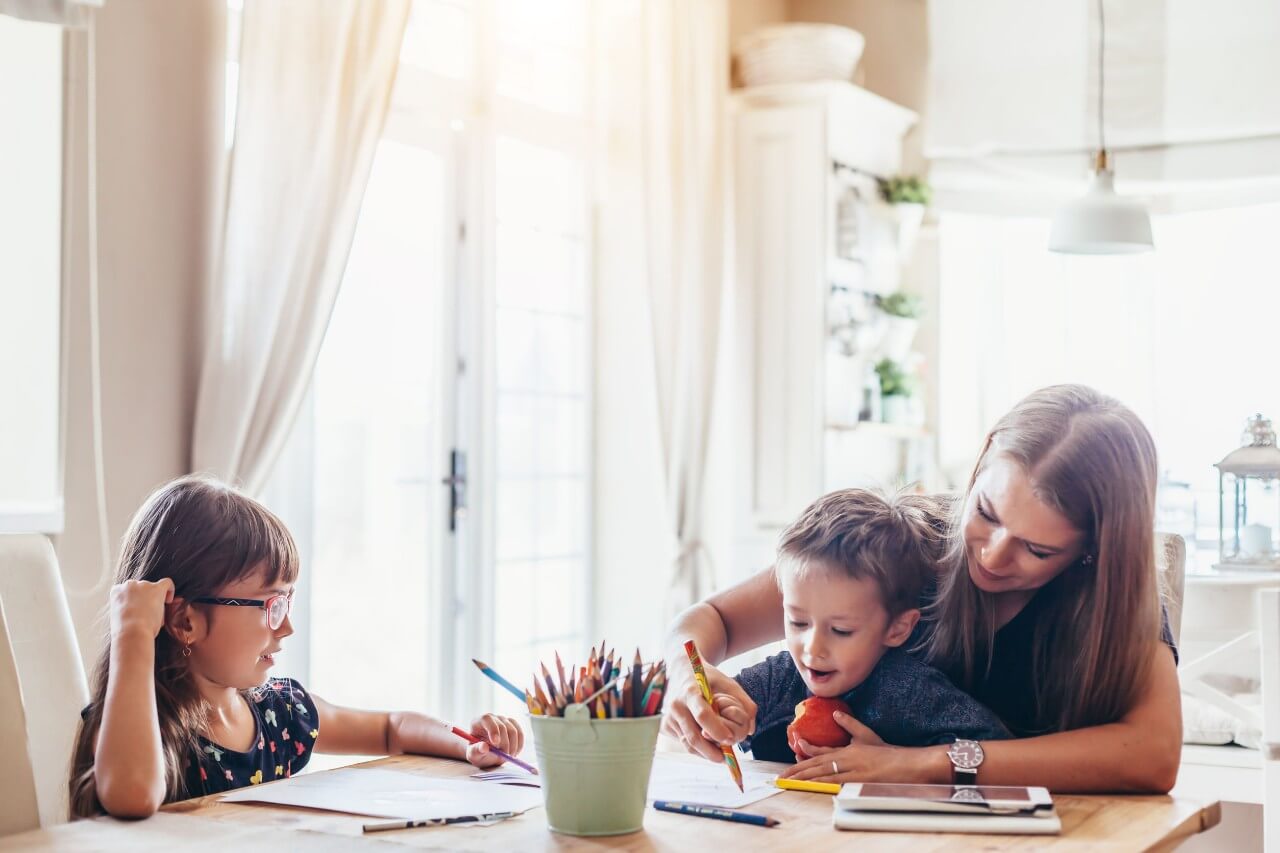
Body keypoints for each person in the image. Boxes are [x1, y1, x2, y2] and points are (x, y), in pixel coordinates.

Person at [664, 384, 1182, 793]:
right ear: (981, 463)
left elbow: (1152, 757)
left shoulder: (1113, 602)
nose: (992, 555)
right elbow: (711, 621)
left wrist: (922, 765)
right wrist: (689, 679)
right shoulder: (902, 545)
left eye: (1037, 550)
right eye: (986, 513)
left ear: (1093, 551)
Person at [68, 474, 524, 818]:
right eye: (270, 605)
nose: (286, 628)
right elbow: (130, 794)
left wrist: (465, 745)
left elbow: (393, 728)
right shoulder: (136, 732)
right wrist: (133, 632)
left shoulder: (278, 713)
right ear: (185, 621)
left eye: (287, 602)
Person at [725, 488, 1008, 763]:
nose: (813, 648)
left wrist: (902, 761)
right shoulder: (779, 678)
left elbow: (996, 746)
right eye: (798, 622)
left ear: (897, 629)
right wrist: (722, 716)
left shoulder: (909, 690)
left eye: (841, 631)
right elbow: (726, 701)